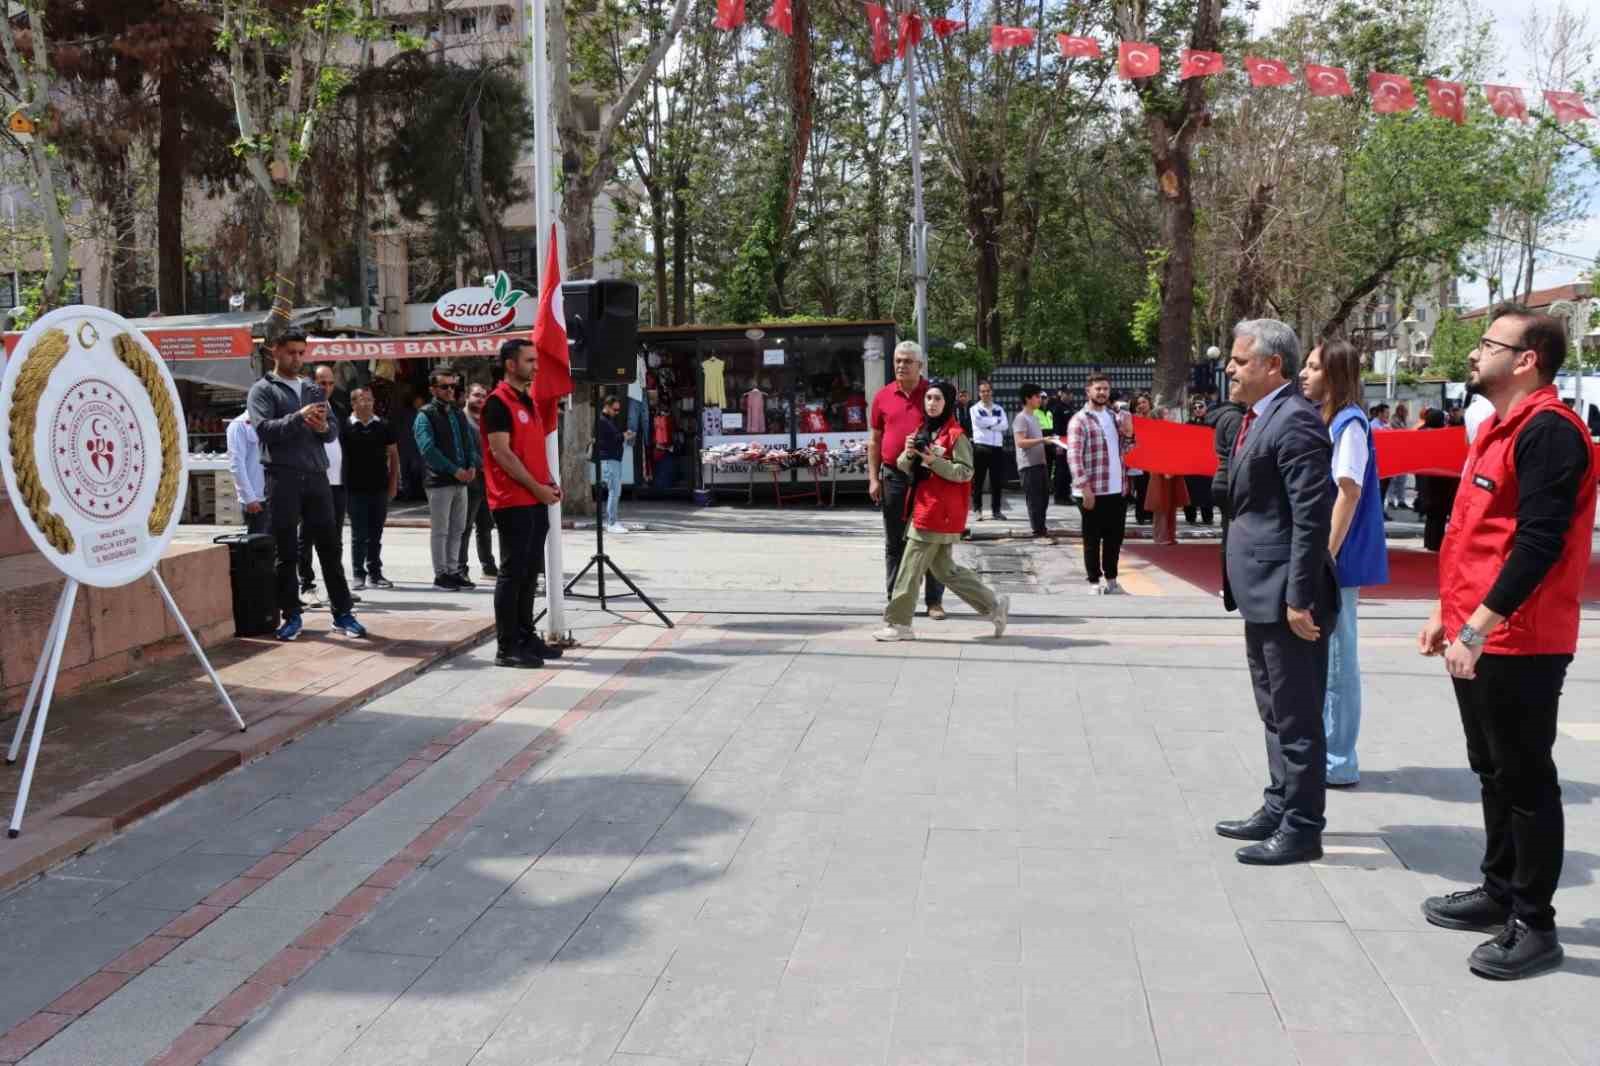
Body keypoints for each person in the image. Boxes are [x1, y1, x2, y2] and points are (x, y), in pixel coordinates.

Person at [1417, 307, 1596, 980]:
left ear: (1527, 360)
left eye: (1489, 343)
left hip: (1522, 638)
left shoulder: (1550, 432)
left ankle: (1535, 924)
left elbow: (1538, 545)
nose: (1474, 352)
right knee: (1491, 769)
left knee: (1525, 779)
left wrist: (1477, 626)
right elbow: (1474, 533)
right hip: (1482, 632)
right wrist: (1447, 612)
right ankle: (1499, 891)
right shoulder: (1499, 427)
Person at [1214, 318, 1337, 866]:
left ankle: (1303, 827)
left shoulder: (1295, 421)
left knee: (1297, 716)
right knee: (1274, 711)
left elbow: (1311, 517)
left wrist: (1299, 598)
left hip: (1288, 597)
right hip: (1260, 590)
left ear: (1273, 365)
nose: (1230, 368)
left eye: (1241, 361)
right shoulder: (1259, 417)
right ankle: (1279, 804)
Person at [1299, 340, 1388, 789]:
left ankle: (1338, 759)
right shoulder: (1331, 420)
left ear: (1334, 375)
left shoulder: (1349, 423)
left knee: (1338, 660)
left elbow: (1348, 491)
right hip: (1332, 557)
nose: (1304, 374)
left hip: (1339, 560)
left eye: (1314, 367)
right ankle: (1329, 753)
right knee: (1329, 656)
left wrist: (1326, 554)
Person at [247, 331, 366, 642]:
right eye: (291, 352)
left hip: (316, 477)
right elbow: (265, 430)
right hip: (282, 477)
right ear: (275, 351)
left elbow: (332, 432)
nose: (297, 358)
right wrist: (299, 417)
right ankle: (291, 615)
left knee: (330, 549)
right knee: (286, 552)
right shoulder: (262, 390)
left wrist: (324, 426)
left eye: (301, 353)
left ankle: (343, 614)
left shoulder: (313, 389)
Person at [874, 381, 1009, 642]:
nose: (932, 403)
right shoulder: (923, 430)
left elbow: (965, 472)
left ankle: (899, 623)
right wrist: (909, 452)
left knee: (910, 567)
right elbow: (903, 465)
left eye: (937, 399)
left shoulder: (956, 435)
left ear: (947, 403)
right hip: (923, 507)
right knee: (946, 571)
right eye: (928, 398)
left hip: (938, 512)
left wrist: (934, 461)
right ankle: (993, 605)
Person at [482, 338, 567, 669]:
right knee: (513, 573)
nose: (536, 366)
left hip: (534, 498)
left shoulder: (527, 401)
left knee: (530, 573)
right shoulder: (497, 403)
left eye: (536, 360)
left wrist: (549, 483)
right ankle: (507, 647)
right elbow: (502, 454)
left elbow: (532, 451)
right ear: (510, 364)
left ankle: (525, 637)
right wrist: (537, 487)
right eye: (529, 360)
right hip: (512, 500)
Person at [869, 341, 947, 619]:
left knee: (931, 540)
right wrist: (873, 478)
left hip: (927, 477)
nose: (901, 365)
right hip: (893, 476)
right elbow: (875, 440)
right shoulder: (883, 396)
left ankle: (934, 601)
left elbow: (948, 434)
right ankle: (896, 598)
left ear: (920, 365)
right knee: (895, 542)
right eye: (898, 360)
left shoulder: (933, 395)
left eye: (907, 361)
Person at [1065, 373, 1133, 592]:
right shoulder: (1079, 420)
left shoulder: (1115, 417)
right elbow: (1073, 457)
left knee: (1115, 539)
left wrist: (1130, 433)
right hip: (1092, 490)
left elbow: (1126, 449)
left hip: (1117, 488)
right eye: (1098, 389)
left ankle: (1112, 581)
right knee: (1092, 539)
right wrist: (1085, 488)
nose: (1102, 392)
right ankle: (1094, 582)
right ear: (1088, 391)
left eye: (1105, 389)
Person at [414, 368, 479, 590]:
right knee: (441, 530)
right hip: (439, 482)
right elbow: (428, 449)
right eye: (444, 386)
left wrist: (471, 465)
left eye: (453, 386)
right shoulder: (425, 415)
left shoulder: (457, 413)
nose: (450, 390)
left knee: (458, 528)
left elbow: (468, 443)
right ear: (433, 389)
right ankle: (440, 574)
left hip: (461, 480)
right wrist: (454, 470)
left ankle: (453, 571)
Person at [298, 365, 351, 602]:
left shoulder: (338, 407)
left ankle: (336, 587)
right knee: (307, 536)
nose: (327, 388)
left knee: (335, 538)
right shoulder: (304, 407)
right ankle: (307, 584)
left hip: (338, 483)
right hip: (313, 480)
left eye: (330, 383)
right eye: (322, 383)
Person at [344, 385, 398, 591]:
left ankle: (375, 573)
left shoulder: (383, 426)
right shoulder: (345, 427)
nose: (367, 403)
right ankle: (358, 574)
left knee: (376, 533)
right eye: (362, 400)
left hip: (379, 488)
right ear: (353, 403)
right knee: (359, 534)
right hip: (354, 489)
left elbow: (394, 455)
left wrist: (393, 483)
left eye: (370, 400)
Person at [1204, 393, 1247, 594]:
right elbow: (1237, 453)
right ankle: (1231, 587)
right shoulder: (1235, 418)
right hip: (1230, 481)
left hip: (1223, 479)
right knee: (1233, 538)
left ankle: (1230, 586)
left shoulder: (1224, 415)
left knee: (1230, 535)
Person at [460, 382, 498, 576]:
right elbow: (466, 449)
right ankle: (461, 567)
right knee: (465, 526)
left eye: (483, 396)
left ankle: (488, 566)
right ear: (467, 397)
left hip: (487, 481)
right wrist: (482, 464)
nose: (480, 399)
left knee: (485, 525)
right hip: (469, 480)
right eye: (476, 395)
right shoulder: (461, 419)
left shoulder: (486, 420)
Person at [1145, 407, 1190, 546]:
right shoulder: (1155, 432)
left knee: (1171, 504)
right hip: (1160, 472)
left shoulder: (1171, 430)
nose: (1170, 414)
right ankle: (1161, 536)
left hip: (1172, 470)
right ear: (1159, 417)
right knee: (1161, 504)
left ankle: (1170, 535)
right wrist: (1164, 468)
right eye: (1166, 413)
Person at [1416, 408, 1457, 552]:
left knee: (1431, 515)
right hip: (1440, 481)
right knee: (1439, 514)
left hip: (1425, 480)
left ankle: (1430, 542)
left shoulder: (1420, 433)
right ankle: (1436, 543)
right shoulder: (1443, 435)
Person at [1012, 383, 1050, 537]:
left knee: (1044, 498)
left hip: (1040, 464)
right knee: (1035, 500)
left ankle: (1042, 528)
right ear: (1028, 398)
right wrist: (1042, 440)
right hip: (1028, 466)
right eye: (1036, 396)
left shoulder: (1034, 417)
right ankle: (1038, 531)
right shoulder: (1021, 418)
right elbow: (1020, 442)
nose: (1040, 399)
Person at [968, 380, 1007, 521]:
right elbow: (979, 422)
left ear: (992, 392)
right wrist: (995, 422)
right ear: (979, 393)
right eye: (982, 391)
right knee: (978, 480)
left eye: (988, 391)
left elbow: (1005, 425)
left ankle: (996, 510)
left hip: (997, 447)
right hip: (981, 447)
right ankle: (977, 509)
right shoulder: (974, 409)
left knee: (997, 481)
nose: (985, 393)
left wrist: (989, 424)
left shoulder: (999, 408)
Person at [597, 393, 634, 533]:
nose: (617, 412)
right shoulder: (602, 421)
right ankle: (611, 522)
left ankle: (613, 521)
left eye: (618, 410)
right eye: (615, 409)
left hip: (614, 459)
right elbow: (612, 440)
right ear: (607, 407)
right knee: (614, 490)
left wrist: (623, 435)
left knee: (615, 490)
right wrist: (624, 435)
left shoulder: (608, 421)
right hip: (610, 459)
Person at [226, 410, 267, 535]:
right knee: (259, 540)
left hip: (275, 493)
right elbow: (237, 465)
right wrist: (249, 498)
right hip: (257, 497)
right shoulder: (239, 425)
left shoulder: (271, 421)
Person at [1184, 394, 1217, 524]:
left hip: (1207, 463)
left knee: (1206, 490)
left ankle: (1207, 517)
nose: (1198, 409)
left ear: (1206, 407)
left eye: (1200, 406)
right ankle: (1190, 516)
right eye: (1195, 407)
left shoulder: (1212, 424)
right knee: (1190, 490)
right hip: (1191, 464)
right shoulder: (1187, 424)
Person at [1125, 393, 1154, 524]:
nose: (1141, 405)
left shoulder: (1156, 418)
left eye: (1144, 402)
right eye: (1138, 403)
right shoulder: (1133, 419)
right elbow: (1129, 438)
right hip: (1140, 459)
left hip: (1154, 457)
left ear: (1149, 403)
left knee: (1153, 488)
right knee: (1141, 487)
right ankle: (1141, 514)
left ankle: (1152, 514)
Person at [1048, 387, 1077, 503]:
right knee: (1061, 470)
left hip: (1070, 442)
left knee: (1067, 470)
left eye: (1071, 393)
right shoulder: (1057, 408)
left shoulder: (1070, 407)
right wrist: (1058, 445)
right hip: (1061, 442)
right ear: (1061, 394)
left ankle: (1066, 495)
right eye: (1067, 393)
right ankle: (1060, 496)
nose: (1069, 396)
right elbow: (1056, 427)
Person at [1386, 401, 1413, 511]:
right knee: (1393, 479)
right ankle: (1391, 500)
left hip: (1402, 454)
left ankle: (1401, 500)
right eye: (1405, 412)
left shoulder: (1403, 422)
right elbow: (1401, 435)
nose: (1407, 414)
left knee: (1402, 479)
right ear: (1400, 412)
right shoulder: (1393, 422)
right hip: (1394, 454)